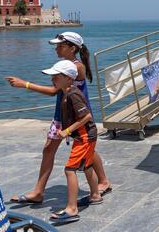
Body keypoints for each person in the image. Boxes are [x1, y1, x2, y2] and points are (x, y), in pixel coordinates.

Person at [7, 32, 111, 204]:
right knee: (49, 149)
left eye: (60, 46)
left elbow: (53, 91)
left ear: (72, 48)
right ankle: (38, 192)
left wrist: (25, 84)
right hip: (61, 115)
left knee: (87, 150)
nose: (56, 49)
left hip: (77, 117)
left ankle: (103, 181)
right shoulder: (64, 66)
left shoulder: (76, 67)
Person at [43, 60, 101, 224]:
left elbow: (87, 116)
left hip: (84, 137)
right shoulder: (66, 92)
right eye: (52, 76)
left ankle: (72, 209)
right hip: (85, 136)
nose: (52, 79)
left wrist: (67, 131)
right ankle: (95, 195)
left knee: (70, 170)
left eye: (56, 76)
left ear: (68, 78)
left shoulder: (73, 95)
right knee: (87, 166)